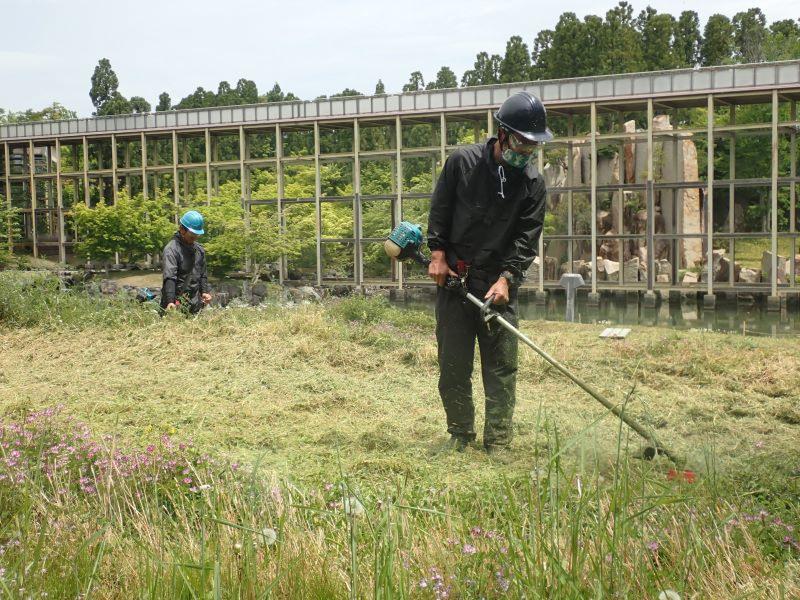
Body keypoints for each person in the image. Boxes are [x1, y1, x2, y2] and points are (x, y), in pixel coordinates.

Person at [426, 91, 551, 454]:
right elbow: (440, 209)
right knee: (453, 366)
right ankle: (460, 434)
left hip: (497, 284)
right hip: (455, 281)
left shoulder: (532, 184)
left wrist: (507, 278)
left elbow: (526, 239)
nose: (524, 152)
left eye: (532, 147)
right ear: (502, 134)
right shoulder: (462, 163)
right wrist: (437, 254)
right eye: (520, 143)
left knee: (500, 368)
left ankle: (497, 440)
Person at [161, 210, 212, 314]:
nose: (194, 238)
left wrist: (205, 292)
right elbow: (170, 277)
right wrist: (170, 301)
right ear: (182, 229)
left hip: (195, 303)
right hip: (175, 303)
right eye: (192, 235)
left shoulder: (199, 250)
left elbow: (202, 274)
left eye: (197, 235)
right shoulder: (171, 249)